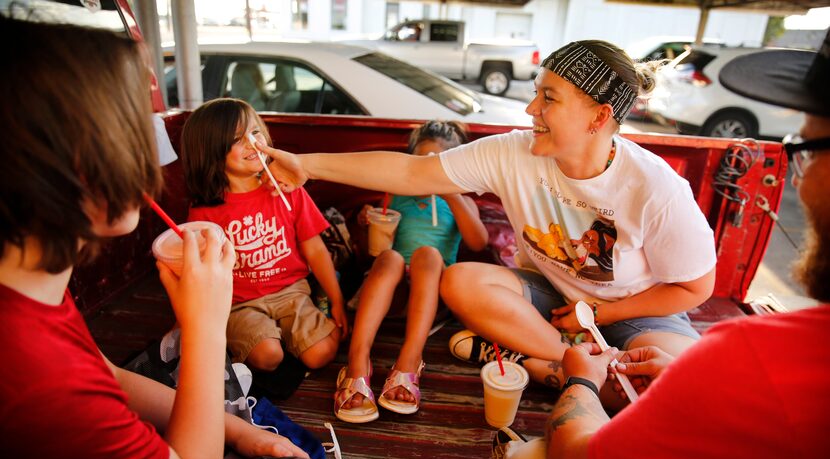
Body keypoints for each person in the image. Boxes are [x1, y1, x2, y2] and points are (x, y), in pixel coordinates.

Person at [0, 15, 358, 459]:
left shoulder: (31, 287)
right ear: (73, 163)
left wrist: (236, 431)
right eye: (135, 127)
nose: (153, 154)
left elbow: (106, 375)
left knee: (232, 408)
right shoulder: (26, 368)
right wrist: (206, 325)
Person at [501, 31, 830, 459]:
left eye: (805, 150)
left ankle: (558, 368)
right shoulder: (519, 156)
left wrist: (581, 386)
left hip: (633, 326)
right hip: (569, 310)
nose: (798, 176)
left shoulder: (764, 359)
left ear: (600, 116)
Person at [253, 40, 717, 403]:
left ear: (599, 116)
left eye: (547, 98)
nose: (530, 109)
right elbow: (412, 172)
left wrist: (607, 312)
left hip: (637, 312)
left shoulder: (656, 188)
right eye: (536, 93)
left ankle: (546, 364)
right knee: (459, 282)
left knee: (679, 389)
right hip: (551, 300)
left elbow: (696, 288)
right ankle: (567, 361)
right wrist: (307, 164)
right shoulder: (512, 152)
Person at [336, 120, 488, 423]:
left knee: (428, 256)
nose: (424, 170)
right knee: (391, 258)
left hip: (434, 295)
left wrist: (452, 194)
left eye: (434, 164)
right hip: (392, 295)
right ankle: (357, 362)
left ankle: (409, 360)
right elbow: (374, 254)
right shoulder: (395, 195)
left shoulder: (462, 198)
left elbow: (478, 242)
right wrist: (367, 224)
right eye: (418, 162)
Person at [182, 98, 348, 374]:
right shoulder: (204, 212)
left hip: (292, 293)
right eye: (238, 139)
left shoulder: (287, 188)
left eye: (255, 132)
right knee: (269, 356)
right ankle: (266, 339)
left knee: (321, 354)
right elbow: (199, 275)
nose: (253, 143)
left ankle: (298, 332)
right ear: (212, 152)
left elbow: (315, 250)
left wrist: (337, 299)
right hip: (239, 302)